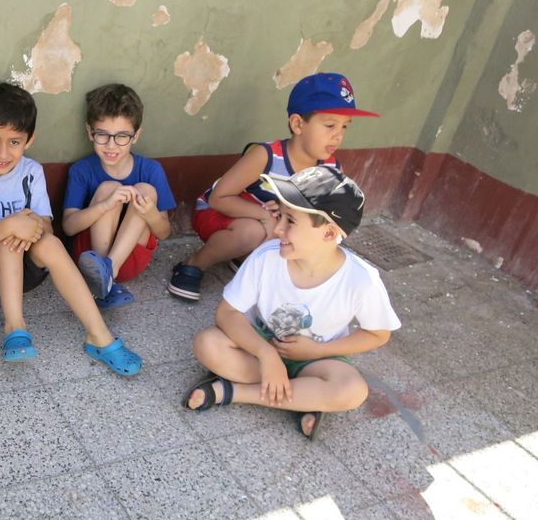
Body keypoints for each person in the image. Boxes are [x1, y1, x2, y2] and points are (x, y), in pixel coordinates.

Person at [183, 166, 401, 439]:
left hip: (317, 356)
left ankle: (233, 392)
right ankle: (305, 396)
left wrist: (318, 350)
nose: (277, 229)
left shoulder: (362, 279)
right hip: (259, 346)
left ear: (329, 234)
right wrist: (267, 355)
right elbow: (227, 313)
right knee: (207, 344)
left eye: (291, 221)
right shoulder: (266, 256)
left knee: (352, 390)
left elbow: (378, 334)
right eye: (280, 217)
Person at [0, 83, 142, 375]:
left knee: (49, 243)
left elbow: (47, 230)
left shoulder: (32, 171)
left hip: (28, 271)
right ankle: (15, 327)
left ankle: (99, 336)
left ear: (30, 140)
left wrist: (30, 225)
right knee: (9, 236)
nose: (3, 152)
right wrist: (12, 225)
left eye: (14, 142)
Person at [169, 72, 378, 301]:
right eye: (330, 125)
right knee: (254, 232)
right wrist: (265, 216)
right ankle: (194, 264)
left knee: (305, 234)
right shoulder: (266, 155)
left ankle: (247, 259)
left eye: (345, 127)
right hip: (219, 212)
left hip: (275, 220)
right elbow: (218, 198)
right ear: (297, 124)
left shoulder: (331, 169)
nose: (338, 136)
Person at [61, 83, 175, 308]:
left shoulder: (151, 170)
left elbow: (164, 232)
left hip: (131, 258)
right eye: (102, 135)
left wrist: (150, 214)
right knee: (108, 188)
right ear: (90, 132)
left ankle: (109, 271)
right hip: (89, 259)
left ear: (136, 136)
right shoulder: (81, 170)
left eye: (122, 136)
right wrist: (105, 205)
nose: (111, 145)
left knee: (146, 191)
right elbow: (69, 227)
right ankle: (102, 274)